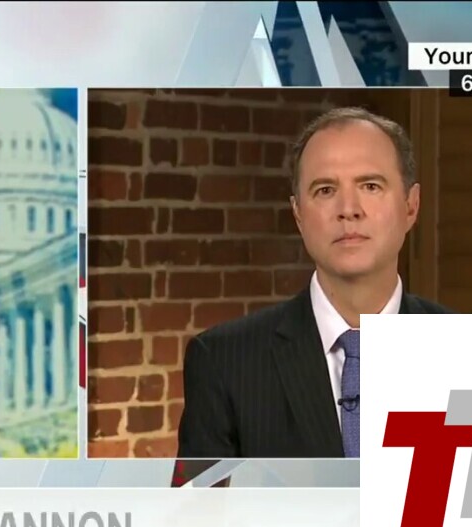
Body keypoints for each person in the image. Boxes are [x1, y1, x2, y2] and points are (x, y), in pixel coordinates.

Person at [177, 107, 451, 459]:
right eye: (325, 190)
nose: (349, 209)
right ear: (298, 214)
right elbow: (199, 497)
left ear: (411, 206)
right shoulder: (222, 362)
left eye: (370, 186)